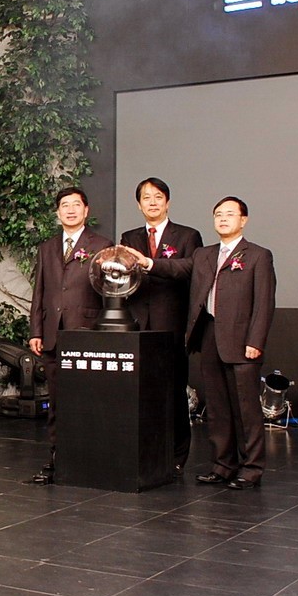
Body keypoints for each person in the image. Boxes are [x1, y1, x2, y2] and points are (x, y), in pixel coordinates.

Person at [131, 197, 276, 490]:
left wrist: (255, 341)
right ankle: (223, 465)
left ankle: (251, 468)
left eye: (229, 214)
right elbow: (177, 268)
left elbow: (264, 303)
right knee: (217, 408)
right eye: (218, 214)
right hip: (209, 336)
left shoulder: (258, 255)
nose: (222, 219)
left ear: (243, 220)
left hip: (242, 341)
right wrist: (148, 262)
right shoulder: (204, 255)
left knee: (246, 409)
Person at [27, 188, 112, 484]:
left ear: (86, 211)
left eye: (76, 205)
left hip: (87, 333)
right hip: (53, 334)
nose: (71, 210)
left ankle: (90, 458)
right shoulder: (47, 247)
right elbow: (39, 292)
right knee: (57, 400)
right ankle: (57, 456)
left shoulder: (101, 245)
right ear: (58, 212)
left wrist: (105, 333)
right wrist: (36, 331)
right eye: (65, 205)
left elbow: (108, 292)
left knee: (88, 399)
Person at [119, 178, 203, 475]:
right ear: (138, 205)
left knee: (173, 391)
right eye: (146, 197)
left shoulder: (187, 235)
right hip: (137, 324)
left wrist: (151, 264)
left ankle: (177, 455)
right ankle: (145, 452)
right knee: (139, 392)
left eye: (158, 197)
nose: (152, 202)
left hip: (172, 324)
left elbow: (190, 269)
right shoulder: (129, 237)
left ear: (167, 202)